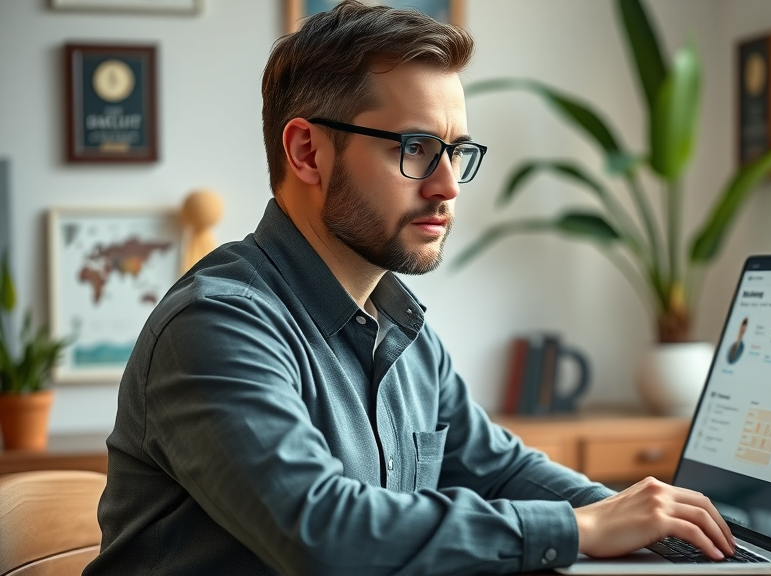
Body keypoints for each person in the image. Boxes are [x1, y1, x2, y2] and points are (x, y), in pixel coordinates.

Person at [84, 2, 734, 574]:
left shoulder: (401, 330)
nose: (449, 185)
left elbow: (502, 469)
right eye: (416, 147)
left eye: (457, 152)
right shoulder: (217, 328)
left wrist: (647, 522)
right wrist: (578, 529)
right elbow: (323, 534)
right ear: (308, 152)